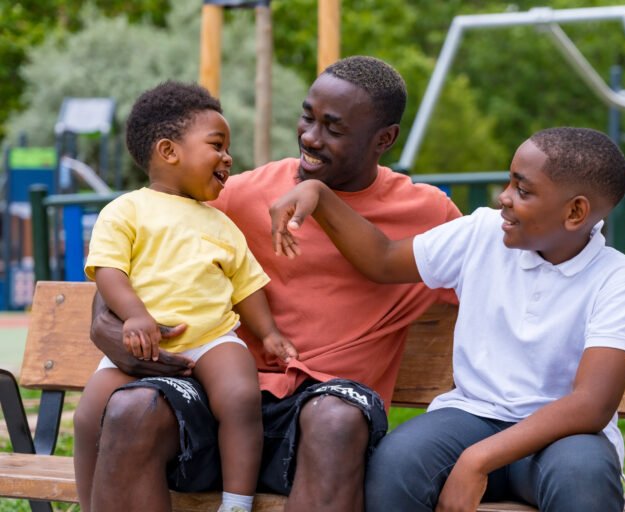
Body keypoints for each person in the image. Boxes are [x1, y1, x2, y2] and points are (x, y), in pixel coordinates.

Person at [75, 56, 462, 512]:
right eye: (307, 117)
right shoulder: (238, 196)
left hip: (325, 410)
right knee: (132, 408)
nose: (310, 138)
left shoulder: (426, 215)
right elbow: (137, 253)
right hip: (221, 404)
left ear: (384, 139)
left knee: (336, 418)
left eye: (333, 129)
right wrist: (105, 321)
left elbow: (503, 272)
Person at [270, 127, 625, 512]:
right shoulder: (482, 233)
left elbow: (591, 404)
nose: (504, 197)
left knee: (584, 481)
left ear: (575, 212)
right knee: (395, 465)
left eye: (523, 190)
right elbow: (382, 258)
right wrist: (320, 196)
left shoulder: (616, 279)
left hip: (562, 439)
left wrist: (476, 460)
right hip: (471, 418)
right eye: (509, 182)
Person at [75, 81, 297, 512]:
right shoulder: (125, 211)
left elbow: (246, 285)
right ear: (168, 151)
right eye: (217, 145)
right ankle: (89, 504)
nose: (228, 157)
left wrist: (268, 334)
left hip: (211, 337)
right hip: (141, 340)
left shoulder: (221, 224)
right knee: (87, 417)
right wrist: (136, 317)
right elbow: (109, 271)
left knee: (239, 396)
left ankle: (235, 502)